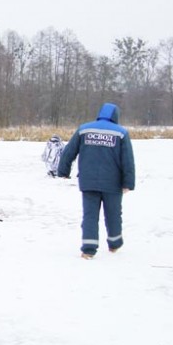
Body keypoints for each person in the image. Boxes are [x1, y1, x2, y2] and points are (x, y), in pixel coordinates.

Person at [57, 102, 136, 259]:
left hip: (89, 181)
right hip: (112, 183)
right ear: (115, 116)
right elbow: (128, 160)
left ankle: (88, 249)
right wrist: (128, 183)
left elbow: (69, 152)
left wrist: (63, 171)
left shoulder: (84, 129)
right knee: (113, 214)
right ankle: (115, 244)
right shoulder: (121, 133)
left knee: (90, 215)